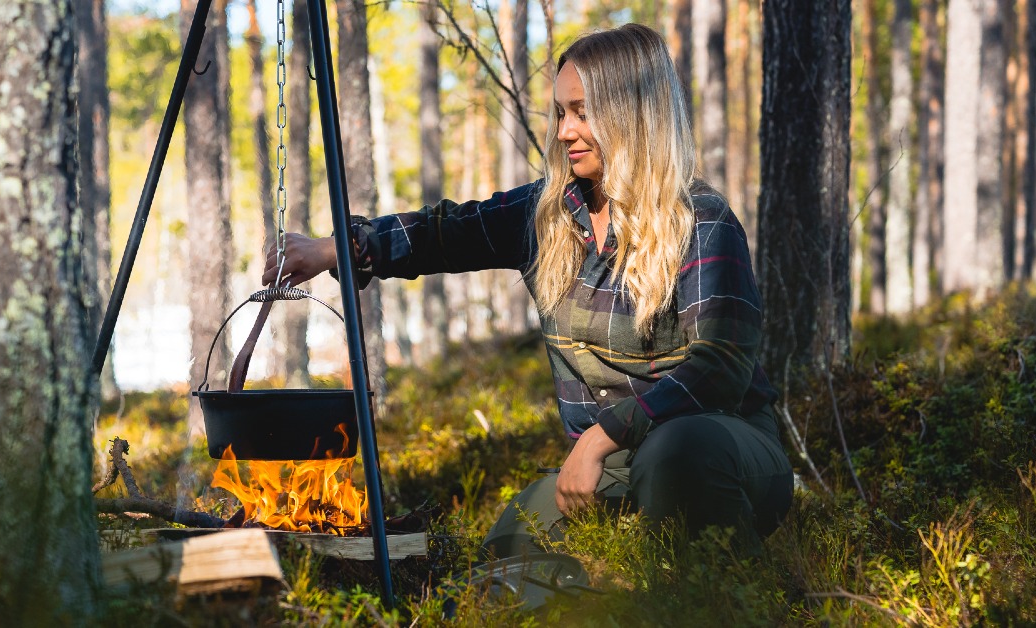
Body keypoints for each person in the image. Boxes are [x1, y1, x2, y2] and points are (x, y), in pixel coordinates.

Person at [263, 23, 792, 558]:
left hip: (720, 447)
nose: (565, 131)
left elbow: (721, 365)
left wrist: (599, 436)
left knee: (680, 454)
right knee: (507, 562)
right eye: (562, 112)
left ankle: (728, 590)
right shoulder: (550, 213)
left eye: (583, 112)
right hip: (613, 465)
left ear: (634, 116)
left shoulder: (701, 220)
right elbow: (446, 232)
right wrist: (335, 249)